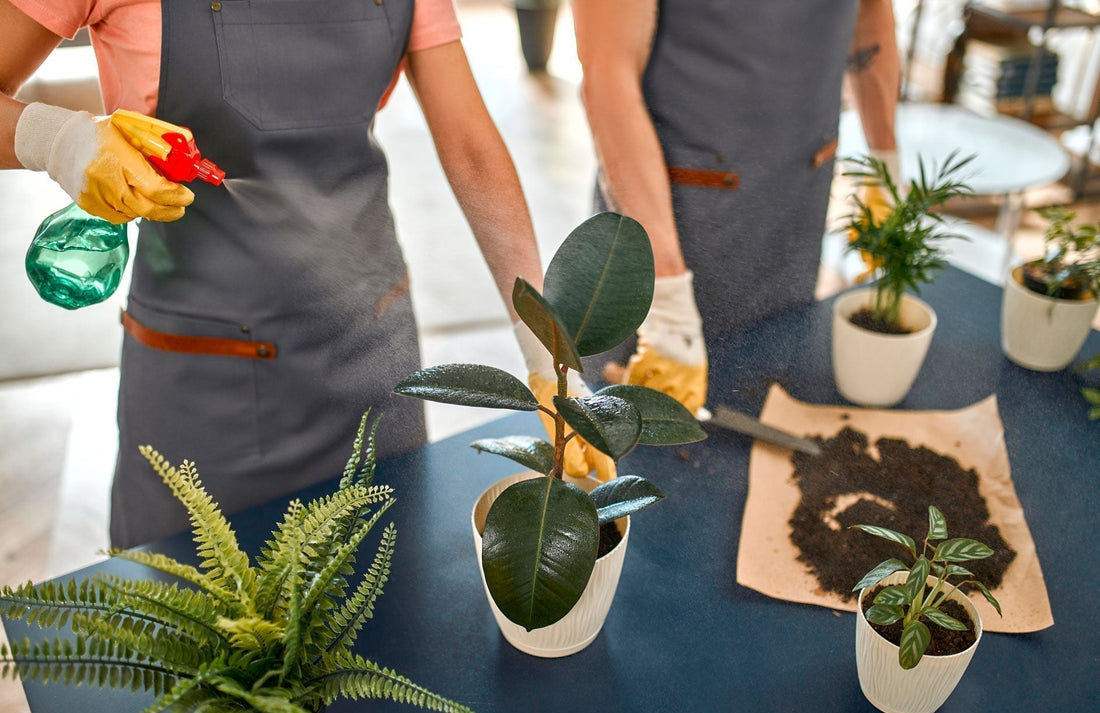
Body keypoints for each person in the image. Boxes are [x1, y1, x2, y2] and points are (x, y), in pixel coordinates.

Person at [0, 0, 549, 547]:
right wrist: (59, 140)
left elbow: (472, 149)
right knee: (197, 617)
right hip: (204, 394)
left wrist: (544, 348)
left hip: (374, 365)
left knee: (390, 601)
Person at [571, 0, 901, 415]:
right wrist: (668, 302)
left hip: (795, 210)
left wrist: (885, 169)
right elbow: (606, 77)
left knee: (769, 377)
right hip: (671, 226)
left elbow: (870, 13)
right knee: (641, 438)